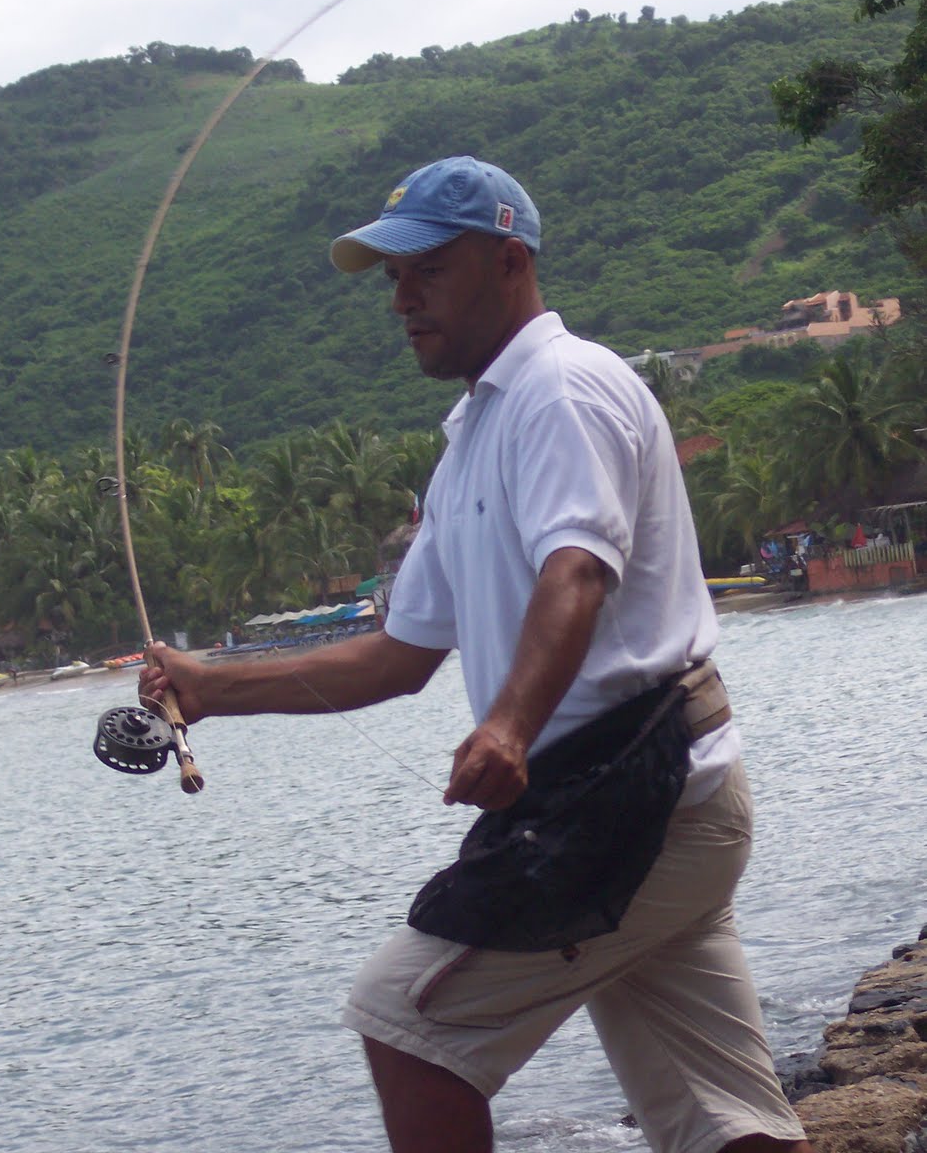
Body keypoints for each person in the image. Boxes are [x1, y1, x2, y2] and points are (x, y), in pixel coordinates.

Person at [140, 156, 810, 1153]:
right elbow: (395, 656)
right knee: (715, 1113)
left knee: (406, 1023)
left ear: (508, 263)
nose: (401, 299)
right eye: (390, 279)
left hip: (632, 798)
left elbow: (574, 572)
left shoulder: (563, 390)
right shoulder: (472, 436)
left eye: (427, 271)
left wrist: (506, 722)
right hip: (636, 805)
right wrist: (210, 689)